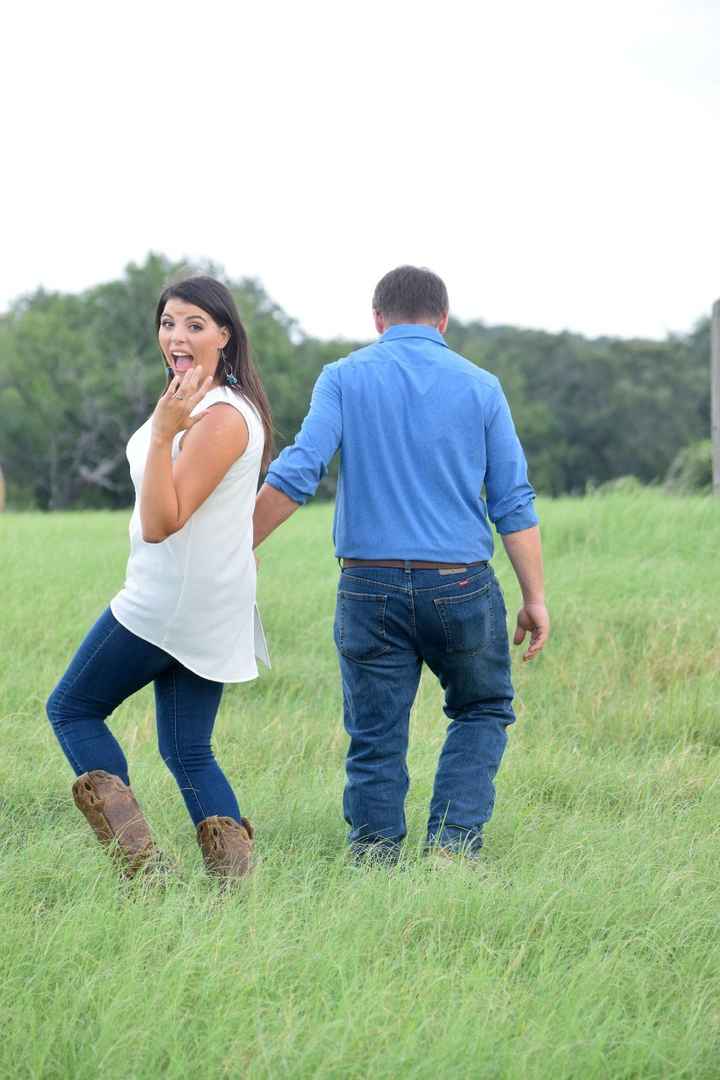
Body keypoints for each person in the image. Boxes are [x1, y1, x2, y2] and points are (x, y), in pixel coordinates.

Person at [253, 265, 549, 863]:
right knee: (482, 709)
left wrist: (235, 548)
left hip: (368, 584)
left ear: (378, 319)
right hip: (461, 584)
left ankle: (374, 859)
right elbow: (513, 501)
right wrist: (534, 598)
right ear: (443, 320)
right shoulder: (482, 386)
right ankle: (451, 848)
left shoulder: (342, 378)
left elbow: (297, 472)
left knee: (374, 735)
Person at [47, 276, 272, 880]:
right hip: (204, 598)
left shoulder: (219, 417)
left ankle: (143, 870)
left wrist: (167, 430)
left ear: (225, 336)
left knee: (71, 709)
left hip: (171, 599)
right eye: (169, 322)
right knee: (187, 749)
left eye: (195, 325)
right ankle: (233, 893)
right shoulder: (192, 399)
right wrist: (169, 422)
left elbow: (161, 522)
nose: (177, 335)